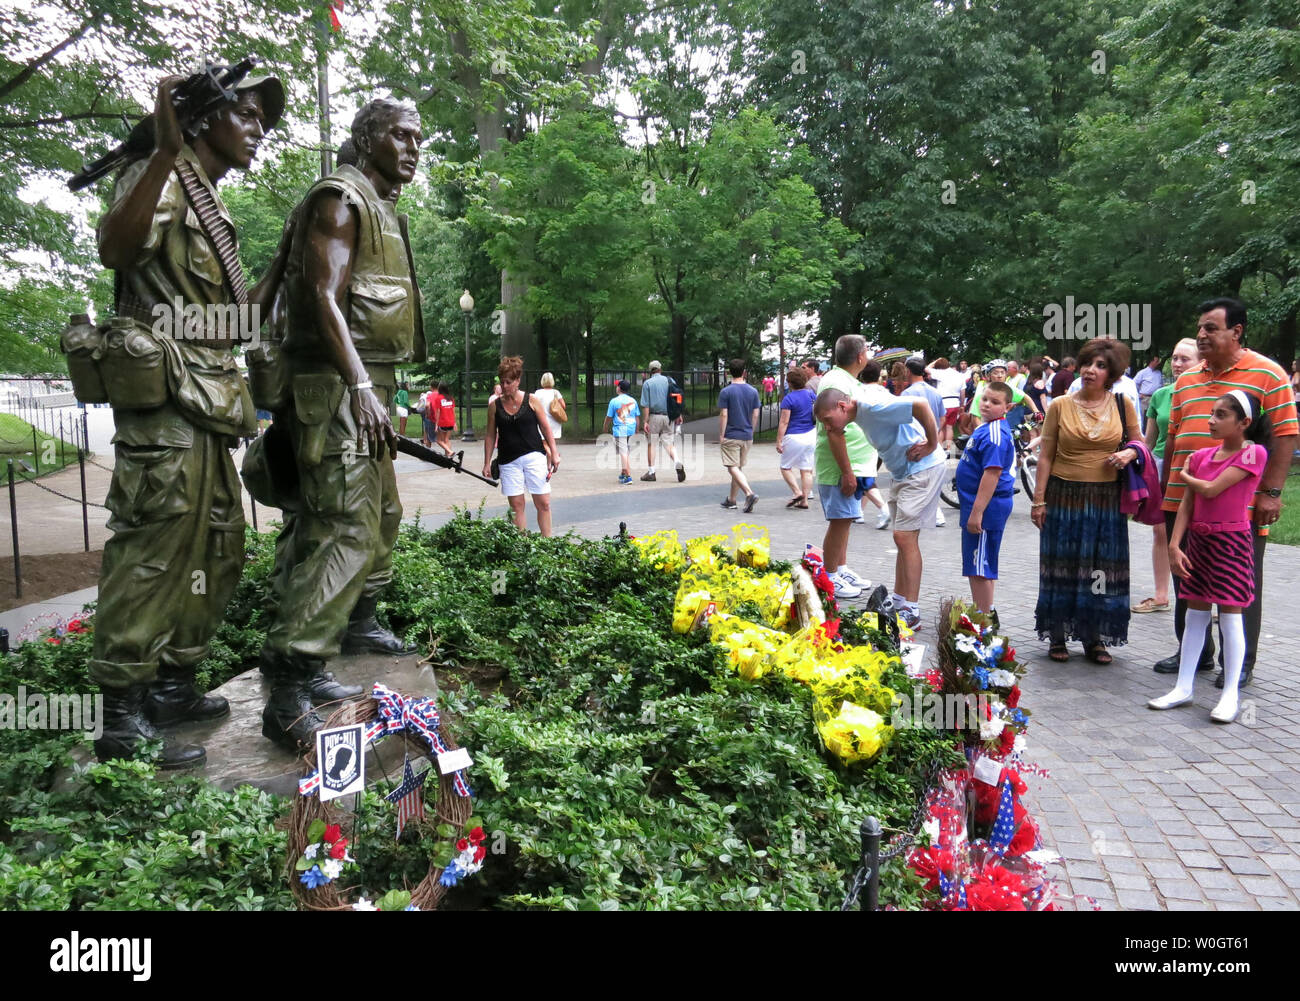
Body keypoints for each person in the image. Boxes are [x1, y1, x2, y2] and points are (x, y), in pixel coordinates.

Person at [90, 67, 290, 768]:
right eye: (247, 115)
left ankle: (174, 683)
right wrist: (164, 152)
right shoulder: (161, 176)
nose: (258, 129)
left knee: (218, 546)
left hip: (209, 394)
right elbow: (115, 247)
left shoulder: (210, 201)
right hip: (165, 398)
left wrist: (287, 251)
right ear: (203, 121)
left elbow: (232, 318)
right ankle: (120, 713)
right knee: (154, 551)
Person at [253, 97, 427, 750]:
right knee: (343, 525)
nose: (413, 147)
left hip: (364, 384)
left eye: (418, 138)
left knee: (380, 513)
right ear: (368, 137)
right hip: (334, 386)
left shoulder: (380, 206)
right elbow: (321, 295)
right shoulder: (338, 199)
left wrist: (376, 386)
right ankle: (292, 680)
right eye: (402, 136)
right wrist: (357, 383)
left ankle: (354, 625)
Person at [1153, 298, 1298, 687]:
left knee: (1239, 582)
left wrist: (1271, 492)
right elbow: (1173, 438)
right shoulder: (1185, 380)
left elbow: (1286, 435)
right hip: (1183, 499)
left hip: (1240, 505)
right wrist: (1165, 492)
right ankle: (1195, 653)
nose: (1201, 335)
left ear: (1236, 332)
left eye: (1210, 328)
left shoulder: (1268, 374)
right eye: (1200, 328)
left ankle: (1240, 663)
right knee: (1186, 574)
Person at [1150, 391, 1270, 723]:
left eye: (1220, 415)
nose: (1211, 421)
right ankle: (1183, 686)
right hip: (1199, 541)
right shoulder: (1202, 455)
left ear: (1243, 422)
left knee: (1231, 616)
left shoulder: (1253, 454)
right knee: (1195, 613)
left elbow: (1211, 489)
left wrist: (1185, 475)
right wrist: (1175, 545)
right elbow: (1187, 503)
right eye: (1211, 414)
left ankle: (1230, 692)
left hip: (1231, 540)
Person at [1031, 337, 1140, 664]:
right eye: (1088, 363)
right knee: (1062, 565)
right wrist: (1038, 501)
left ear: (1113, 373)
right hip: (1064, 496)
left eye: (1101, 365)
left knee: (1100, 568)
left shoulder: (1123, 404)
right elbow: (1046, 456)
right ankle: (1058, 635)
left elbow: (1140, 442)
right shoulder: (1061, 405)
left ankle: (1095, 637)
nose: (1091, 370)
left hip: (1105, 501)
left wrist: (1129, 452)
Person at [814, 379, 944, 630]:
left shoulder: (871, 407)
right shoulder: (861, 409)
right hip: (904, 472)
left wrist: (931, 443)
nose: (828, 427)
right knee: (903, 538)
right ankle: (898, 602)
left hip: (922, 469)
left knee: (904, 537)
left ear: (843, 406)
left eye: (829, 419)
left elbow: (921, 405)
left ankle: (912, 611)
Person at [1133, 338, 1199, 614]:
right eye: (1175, 358)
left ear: (1201, 362)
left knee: (1200, 533)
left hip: (1195, 468)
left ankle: (1208, 594)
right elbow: (1149, 441)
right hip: (1163, 466)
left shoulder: (1207, 392)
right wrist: (1138, 465)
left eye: (1186, 358)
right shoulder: (1161, 395)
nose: (1178, 364)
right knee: (1162, 532)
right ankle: (1162, 595)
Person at [813, 337, 877, 597]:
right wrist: (847, 472)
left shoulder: (847, 381)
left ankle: (840, 567)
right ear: (861, 356)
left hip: (853, 465)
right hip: (840, 467)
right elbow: (833, 429)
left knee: (846, 518)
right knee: (840, 520)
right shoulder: (836, 382)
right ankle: (829, 576)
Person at [958, 382, 1017, 617]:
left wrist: (977, 511)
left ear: (1008, 407)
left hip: (986, 507)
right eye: (985, 399)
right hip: (980, 505)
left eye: (995, 402)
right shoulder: (986, 427)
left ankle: (982, 624)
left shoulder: (995, 433)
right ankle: (986, 612)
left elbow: (992, 473)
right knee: (981, 564)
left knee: (979, 566)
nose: (987, 405)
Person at [484, 355, 560, 533]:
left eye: (508, 382)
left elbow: (546, 427)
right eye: (502, 382)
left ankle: (546, 543)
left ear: (518, 380)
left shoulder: (531, 400)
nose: (504, 386)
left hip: (534, 455)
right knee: (516, 506)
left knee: (544, 502)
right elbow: (489, 435)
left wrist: (554, 453)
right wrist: (487, 462)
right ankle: (522, 547)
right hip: (508, 460)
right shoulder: (495, 406)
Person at [902, 357, 948, 527]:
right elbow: (942, 418)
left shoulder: (907, 394)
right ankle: (936, 513)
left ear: (908, 371)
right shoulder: (935, 392)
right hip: (933, 440)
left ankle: (932, 514)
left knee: (917, 480)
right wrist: (933, 434)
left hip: (916, 442)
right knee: (931, 480)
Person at [718, 359, 761, 511]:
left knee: (732, 467)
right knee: (738, 468)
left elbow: (724, 414)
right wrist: (751, 430)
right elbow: (755, 414)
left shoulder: (726, 391)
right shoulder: (753, 391)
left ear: (730, 372)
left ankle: (749, 494)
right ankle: (732, 499)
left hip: (731, 434)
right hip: (746, 435)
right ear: (744, 372)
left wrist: (722, 435)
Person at [638, 359, 684, 482]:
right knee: (669, 443)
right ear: (660, 369)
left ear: (650, 371)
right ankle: (677, 461)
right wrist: (678, 413)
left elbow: (646, 405)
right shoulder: (670, 381)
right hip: (669, 416)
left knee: (652, 443)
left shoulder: (647, 384)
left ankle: (652, 472)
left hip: (654, 416)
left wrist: (645, 421)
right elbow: (678, 397)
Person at [777, 366, 816, 508]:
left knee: (785, 467)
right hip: (811, 435)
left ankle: (797, 491)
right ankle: (804, 500)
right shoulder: (811, 395)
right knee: (806, 470)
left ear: (790, 383)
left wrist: (779, 440)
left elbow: (784, 422)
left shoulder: (789, 399)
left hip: (794, 436)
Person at [604, 378, 640, 484]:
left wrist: (605, 428)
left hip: (620, 429)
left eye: (617, 386)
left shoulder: (614, 401)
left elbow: (608, 417)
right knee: (626, 451)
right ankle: (623, 472)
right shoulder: (633, 401)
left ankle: (628, 476)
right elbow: (637, 416)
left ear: (619, 388)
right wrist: (637, 429)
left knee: (623, 452)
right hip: (631, 428)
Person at [927, 357, 966, 450]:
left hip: (943, 403)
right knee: (949, 427)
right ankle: (948, 448)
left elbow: (926, 369)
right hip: (955, 403)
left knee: (940, 427)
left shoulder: (940, 373)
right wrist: (962, 405)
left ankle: (940, 448)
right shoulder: (959, 375)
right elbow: (963, 392)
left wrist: (935, 361)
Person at [533, 371, 566, 446]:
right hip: (555, 421)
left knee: (544, 443)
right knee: (553, 444)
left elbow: (534, 406)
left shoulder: (538, 393)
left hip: (542, 421)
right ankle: (553, 455)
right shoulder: (556, 392)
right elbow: (563, 406)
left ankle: (551, 455)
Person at [435, 381, 456, 456]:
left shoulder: (438, 398)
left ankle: (450, 452)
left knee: (439, 440)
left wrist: (436, 424)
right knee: (446, 439)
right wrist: (455, 423)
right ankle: (448, 456)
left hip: (443, 422)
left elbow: (438, 412)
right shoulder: (450, 398)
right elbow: (453, 411)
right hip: (450, 422)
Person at [421, 381, 440, 447]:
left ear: (431, 387)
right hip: (441, 419)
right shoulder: (441, 395)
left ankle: (427, 453)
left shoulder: (430, 395)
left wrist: (428, 414)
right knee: (444, 439)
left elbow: (427, 405)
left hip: (432, 418)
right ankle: (447, 453)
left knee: (429, 437)